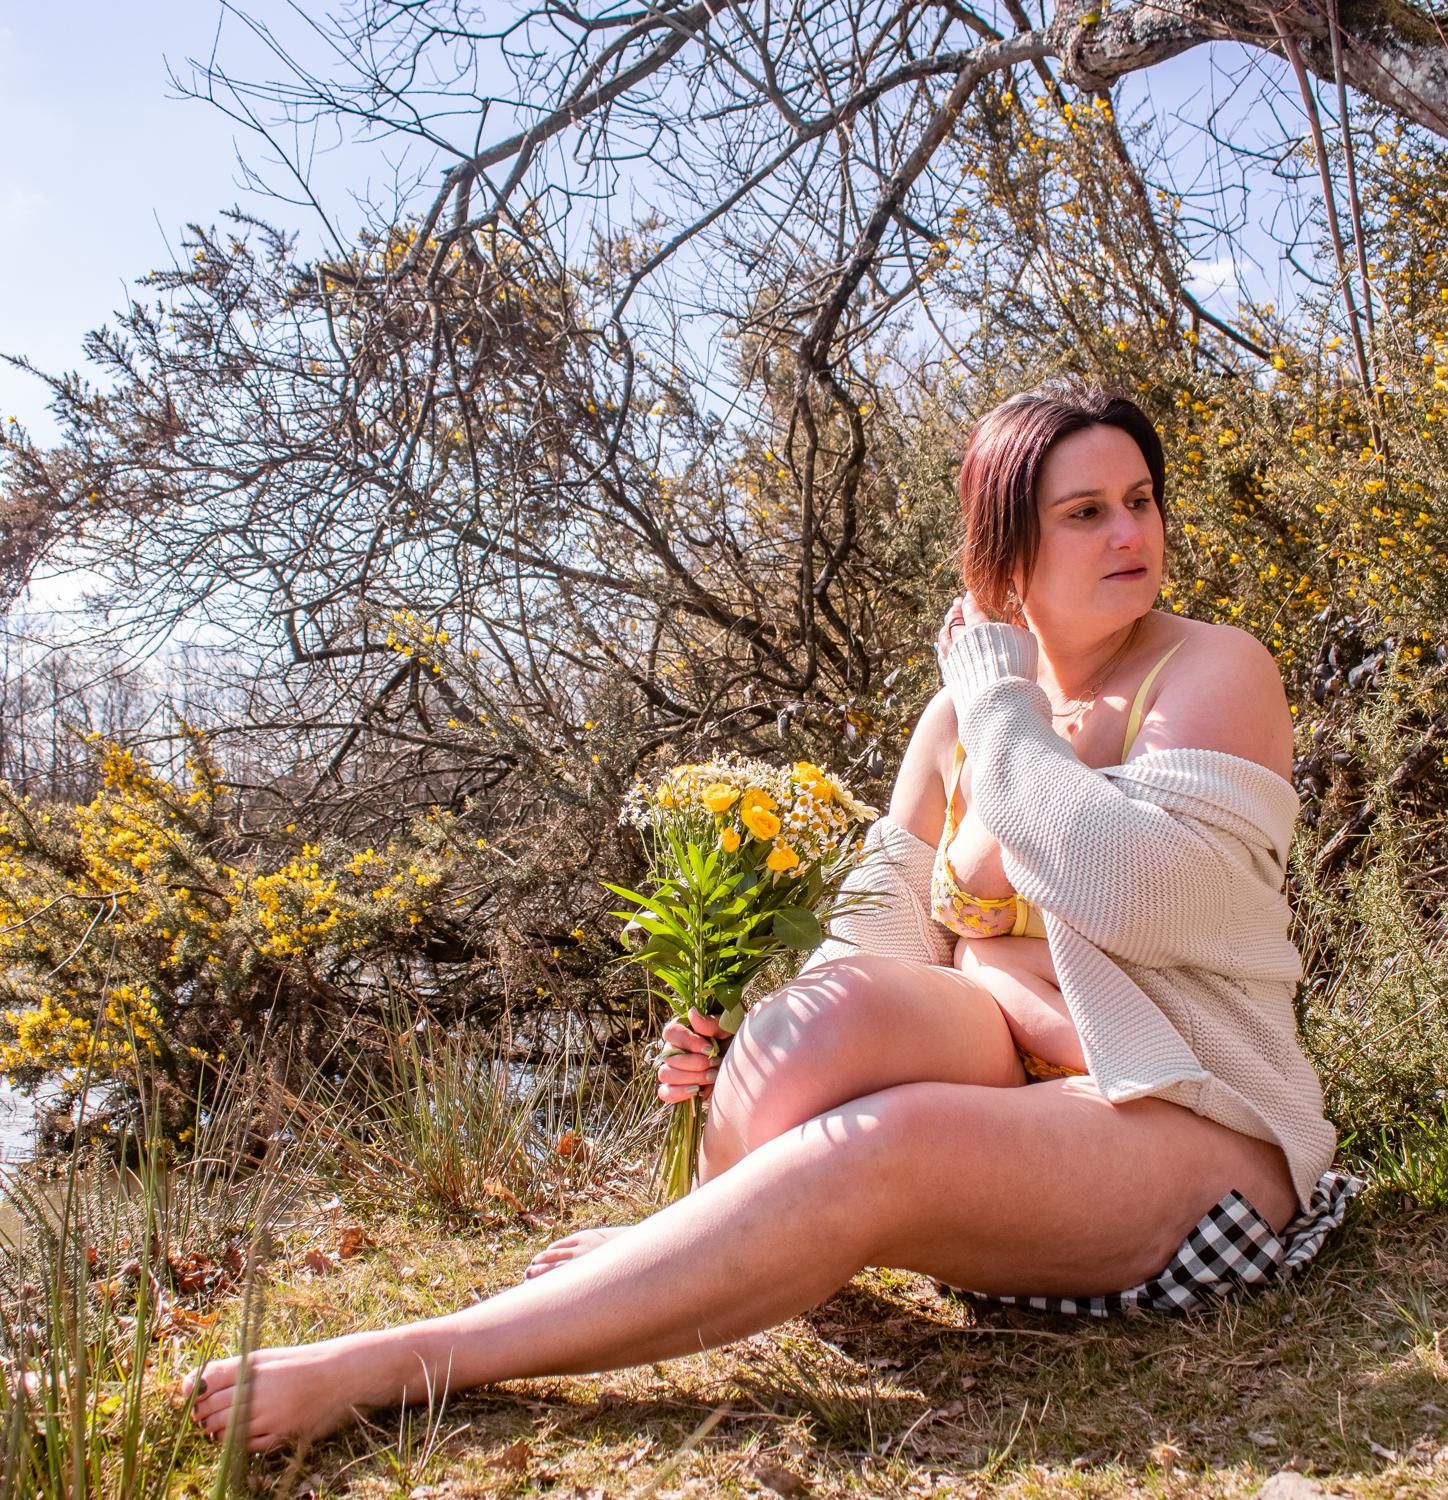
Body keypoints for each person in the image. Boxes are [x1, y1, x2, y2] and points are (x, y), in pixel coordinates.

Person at [185, 382, 1355, 1451]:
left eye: (1140, 501)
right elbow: (875, 943)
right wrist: (745, 1042)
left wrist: (1001, 700)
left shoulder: (1210, 671)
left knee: (883, 1143)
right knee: (808, 1027)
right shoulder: (954, 721)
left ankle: (417, 1360)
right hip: (1019, 1105)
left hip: (1189, 1124)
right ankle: (701, 1243)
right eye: (1085, 512)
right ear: (1004, 549)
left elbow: (1122, 883)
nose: (1130, 534)